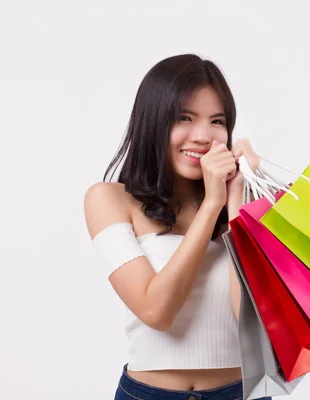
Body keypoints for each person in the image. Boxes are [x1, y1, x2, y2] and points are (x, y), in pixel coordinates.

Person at [84, 54, 270, 400]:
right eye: (184, 118)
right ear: (153, 121)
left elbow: (253, 324)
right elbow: (157, 311)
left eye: (217, 121)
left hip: (243, 393)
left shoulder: (244, 204)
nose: (202, 135)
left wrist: (238, 206)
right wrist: (211, 203)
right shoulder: (110, 200)